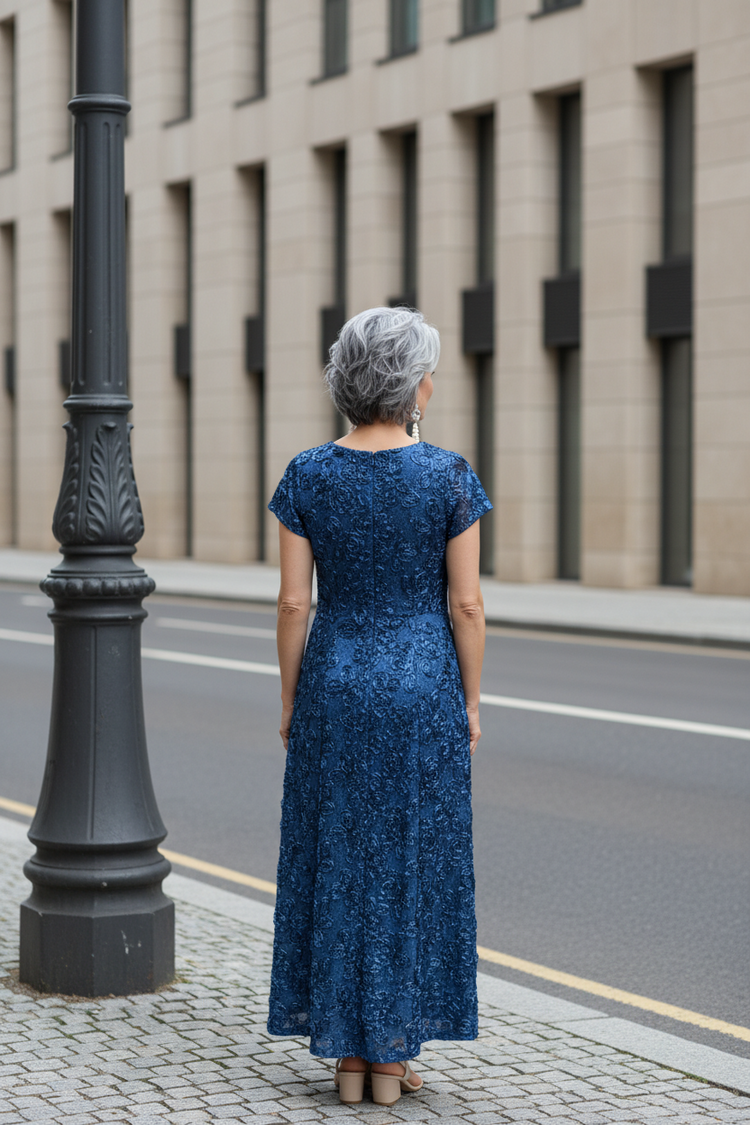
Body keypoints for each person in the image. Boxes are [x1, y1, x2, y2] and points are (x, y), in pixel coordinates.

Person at [266, 306, 492, 1107]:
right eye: (429, 368)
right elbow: (466, 606)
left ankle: (347, 1057)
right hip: (422, 686)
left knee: (337, 858)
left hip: (334, 680)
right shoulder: (448, 475)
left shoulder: (306, 472)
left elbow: (295, 603)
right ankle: (392, 1057)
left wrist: (293, 698)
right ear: (412, 384)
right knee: (410, 863)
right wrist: (469, 699)